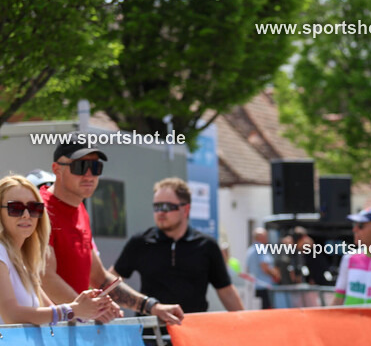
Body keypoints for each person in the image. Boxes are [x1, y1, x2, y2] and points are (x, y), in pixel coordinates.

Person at [39, 136, 183, 324]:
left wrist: (151, 306)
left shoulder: (80, 209)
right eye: (80, 167)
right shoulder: (39, 209)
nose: (89, 175)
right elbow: (44, 276)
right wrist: (89, 310)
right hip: (49, 335)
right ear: (56, 169)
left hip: (73, 331)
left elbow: (98, 277)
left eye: (96, 167)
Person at [113, 178, 243, 314]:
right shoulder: (140, 242)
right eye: (156, 207)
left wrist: (246, 325)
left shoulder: (207, 245)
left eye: (167, 207)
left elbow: (226, 291)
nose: (160, 213)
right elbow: (111, 281)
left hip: (191, 331)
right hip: (150, 333)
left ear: (186, 209)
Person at [0, 175, 115, 325]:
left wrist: (88, 308)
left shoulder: (23, 262)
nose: (27, 215)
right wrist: (74, 309)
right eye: (16, 208)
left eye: (34, 208)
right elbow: (12, 315)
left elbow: (52, 312)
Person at [245, 227, 279, 309]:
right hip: (264, 287)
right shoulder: (261, 248)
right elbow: (265, 267)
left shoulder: (250, 250)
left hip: (253, 287)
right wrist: (275, 274)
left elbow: (247, 269)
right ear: (261, 237)